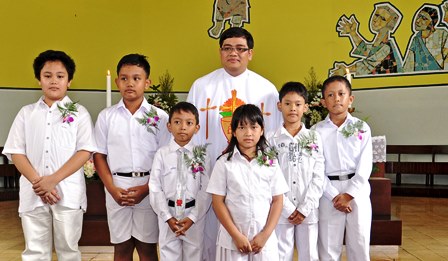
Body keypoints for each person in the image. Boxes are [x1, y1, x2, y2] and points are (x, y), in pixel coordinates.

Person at [187, 27, 282, 260]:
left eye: (240, 48)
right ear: (220, 52)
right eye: (227, 48)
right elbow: (189, 135)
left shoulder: (267, 90)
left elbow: (274, 138)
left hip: (254, 176)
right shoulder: (201, 86)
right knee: (210, 243)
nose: (234, 53)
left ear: (250, 53)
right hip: (211, 172)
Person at [2, 50, 96, 260]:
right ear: (39, 79)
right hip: (33, 193)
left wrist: (52, 180)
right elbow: (16, 152)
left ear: (69, 81)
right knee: (35, 251)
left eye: (60, 76)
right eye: (47, 76)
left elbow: (84, 151)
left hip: (68, 194)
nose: (54, 81)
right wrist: (39, 183)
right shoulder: (26, 113)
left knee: (68, 251)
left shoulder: (79, 114)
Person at [94, 53, 171, 261]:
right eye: (124, 78)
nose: (130, 83)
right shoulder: (106, 116)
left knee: (147, 248)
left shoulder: (160, 117)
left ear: (147, 82)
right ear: (117, 81)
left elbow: (166, 159)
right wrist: (112, 189)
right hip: (117, 186)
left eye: (136, 78)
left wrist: (146, 189)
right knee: (122, 248)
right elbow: (99, 155)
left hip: (148, 186)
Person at [206, 104, 289, 261]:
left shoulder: (270, 162)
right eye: (242, 127)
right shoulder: (224, 163)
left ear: (262, 130)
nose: (248, 133)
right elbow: (217, 202)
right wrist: (236, 236)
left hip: (264, 241)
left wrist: (265, 235)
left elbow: (278, 200)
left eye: (253, 127)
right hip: (232, 241)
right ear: (234, 131)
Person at [313, 76, 372, 261]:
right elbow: (316, 168)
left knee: (359, 244)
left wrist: (349, 194)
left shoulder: (361, 128)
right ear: (323, 102)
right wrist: (333, 196)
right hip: (327, 192)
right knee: (328, 247)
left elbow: (365, 165)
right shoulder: (316, 131)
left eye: (341, 94)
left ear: (350, 99)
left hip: (357, 192)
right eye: (330, 95)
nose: (336, 99)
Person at [268, 82, 325, 261]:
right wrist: (287, 208)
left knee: (309, 255)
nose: (293, 108)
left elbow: (318, 175)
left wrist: (304, 208)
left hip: (308, 210)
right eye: (287, 103)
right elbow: (270, 176)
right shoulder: (271, 139)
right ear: (279, 105)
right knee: (280, 255)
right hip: (280, 210)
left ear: (306, 107)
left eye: (298, 104)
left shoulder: (314, 137)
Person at [149, 101, 211, 261]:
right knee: (168, 255)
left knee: (194, 255)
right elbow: (155, 187)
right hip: (167, 214)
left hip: (193, 216)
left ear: (196, 127)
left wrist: (193, 218)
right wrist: (167, 217)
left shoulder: (202, 155)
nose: (183, 127)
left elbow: (206, 190)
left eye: (189, 123)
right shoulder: (162, 154)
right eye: (177, 122)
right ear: (169, 126)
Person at [330, 3, 403, 76]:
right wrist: (352, 33)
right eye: (376, 15)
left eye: (383, 19)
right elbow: (367, 51)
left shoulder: (387, 47)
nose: (376, 20)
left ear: (389, 24)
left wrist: (346, 70)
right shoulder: (379, 43)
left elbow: (368, 65)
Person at [403, 4, 448, 71]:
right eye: (419, 16)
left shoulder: (442, 34)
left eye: (424, 18)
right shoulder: (414, 39)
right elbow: (409, 65)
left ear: (432, 22)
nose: (418, 21)